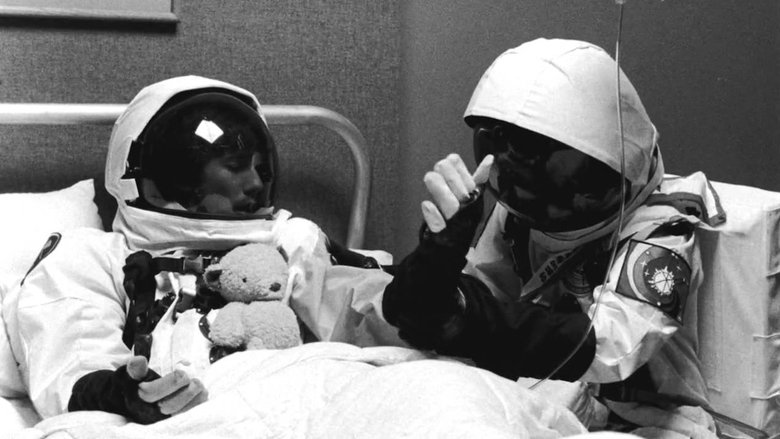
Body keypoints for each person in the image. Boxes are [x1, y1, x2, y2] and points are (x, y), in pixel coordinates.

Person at [3, 75, 396, 425]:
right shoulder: (95, 257)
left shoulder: (289, 243)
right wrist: (124, 394)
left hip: (300, 403)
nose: (255, 183)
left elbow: (362, 310)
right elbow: (73, 357)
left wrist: (420, 297)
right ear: (176, 174)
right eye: (236, 165)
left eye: (261, 169)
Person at [382, 38, 723, 432]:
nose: (543, 204)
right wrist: (437, 265)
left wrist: (467, 319)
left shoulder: (662, 228)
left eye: (567, 183)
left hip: (645, 415)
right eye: (527, 183)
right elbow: (485, 289)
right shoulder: (524, 211)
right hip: (545, 387)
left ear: (617, 162)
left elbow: (610, 346)